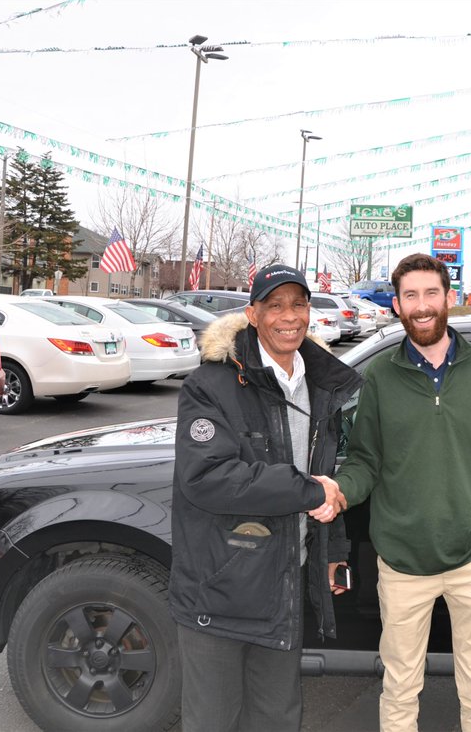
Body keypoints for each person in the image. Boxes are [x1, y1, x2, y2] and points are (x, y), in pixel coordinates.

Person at [318, 253, 471, 732]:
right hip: (403, 562)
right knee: (400, 685)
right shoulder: (382, 377)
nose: (422, 305)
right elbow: (366, 461)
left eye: (431, 293)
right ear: (396, 304)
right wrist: (339, 492)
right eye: (411, 295)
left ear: (449, 298)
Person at [169, 263, 361, 732]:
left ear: (309, 312)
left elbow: (326, 474)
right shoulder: (210, 384)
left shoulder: (320, 384)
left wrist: (332, 552)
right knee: (214, 720)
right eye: (275, 306)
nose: (288, 316)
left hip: (284, 581)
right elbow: (208, 477)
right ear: (253, 315)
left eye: (298, 304)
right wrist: (307, 489)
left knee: (277, 718)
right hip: (219, 588)